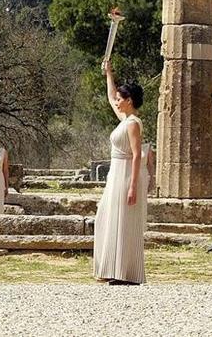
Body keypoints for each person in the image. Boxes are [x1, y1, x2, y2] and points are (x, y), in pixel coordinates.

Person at [93, 59, 147, 285]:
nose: (116, 101)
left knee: (124, 221)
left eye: (120, 99)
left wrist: (133, 186)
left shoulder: (133, 123)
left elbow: (136, 155)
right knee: (107, 217)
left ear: (129, 101)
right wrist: (108, 74)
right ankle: (112, 268)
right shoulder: (124, 119)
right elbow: (110, 96)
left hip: (126, 175)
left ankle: (126, 273)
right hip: (116, 174)